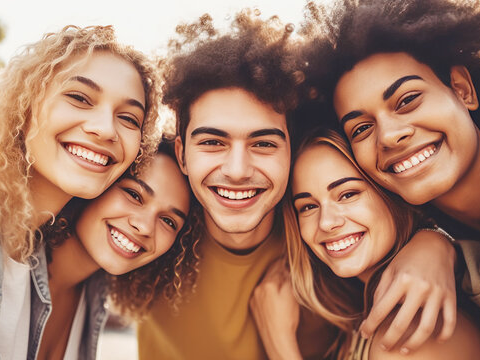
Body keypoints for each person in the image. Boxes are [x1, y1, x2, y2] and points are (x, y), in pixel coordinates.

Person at [297, 0, 480, 351]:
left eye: (407, 100)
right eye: (361, 128)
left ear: (462, 89)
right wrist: (436, 241)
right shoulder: (429, 250)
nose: (389, 136)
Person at [136, 10, 337, 360]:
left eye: (264, 143)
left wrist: (440, 249)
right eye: (213, 142)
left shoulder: (330, 240)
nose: (239, 170)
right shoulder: (147, 231)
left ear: (291, 151)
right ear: (182, 154)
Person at [0, 25, 160, 359]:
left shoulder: (34, 259)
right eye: (79, 98)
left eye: (128, 118)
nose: (105, 128)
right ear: (23, 106)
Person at [270, 129, 480, 359]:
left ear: (392, 196)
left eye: (348, 194)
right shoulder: (365, 315)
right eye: (308, 207)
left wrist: (279, 342)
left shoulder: (410, 334)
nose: (327, 222)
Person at [35, 142, 195, 359]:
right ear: (100, 182)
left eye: (168, 221)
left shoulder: (90, 299)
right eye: (134, 195)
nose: (145, 227)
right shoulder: (3, 267)